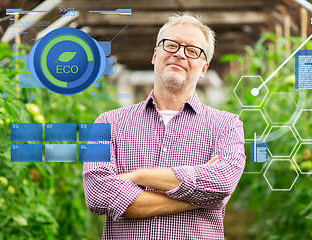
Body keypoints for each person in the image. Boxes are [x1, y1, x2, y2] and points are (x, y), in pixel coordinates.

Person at [83, 12, 246, 240]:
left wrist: (139, 176)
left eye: (192, 50)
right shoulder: (107, 122)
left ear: (203, 68)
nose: (179, 54)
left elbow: (222, 183)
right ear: (155, 54)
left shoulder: (227, 125)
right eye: (171, 45)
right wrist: (199, 199)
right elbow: (98, 194)